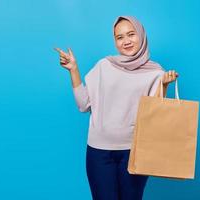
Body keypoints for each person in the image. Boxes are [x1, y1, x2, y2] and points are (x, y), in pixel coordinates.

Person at [54, 15, 178, 200]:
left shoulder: (155, 72)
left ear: (141, 35)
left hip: (135, 151)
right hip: (99, 152)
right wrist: (73, 69)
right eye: (120, 37)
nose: (126, 41)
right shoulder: (104, 66)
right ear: (115, 41)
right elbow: (83, 105)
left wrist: (165, 85)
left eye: (131, 34)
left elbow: (154, 116)